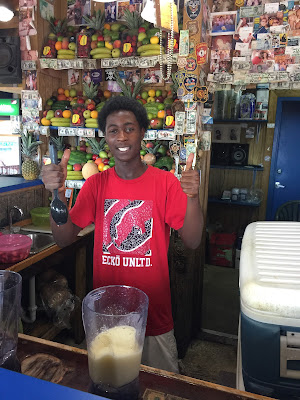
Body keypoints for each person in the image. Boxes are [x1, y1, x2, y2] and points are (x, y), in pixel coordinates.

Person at [41, 96, 203, 373]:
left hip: (154, 316)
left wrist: (192, 198)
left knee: (160, 388)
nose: (122, 136)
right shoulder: (95, 185)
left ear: (142, 133)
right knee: (111, 384)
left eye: (129, 127)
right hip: (108, 314)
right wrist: (56, 196)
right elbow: (64, 238)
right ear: (106, 137)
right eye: (113, 130)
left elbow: (193, 240)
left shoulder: (164, 183)